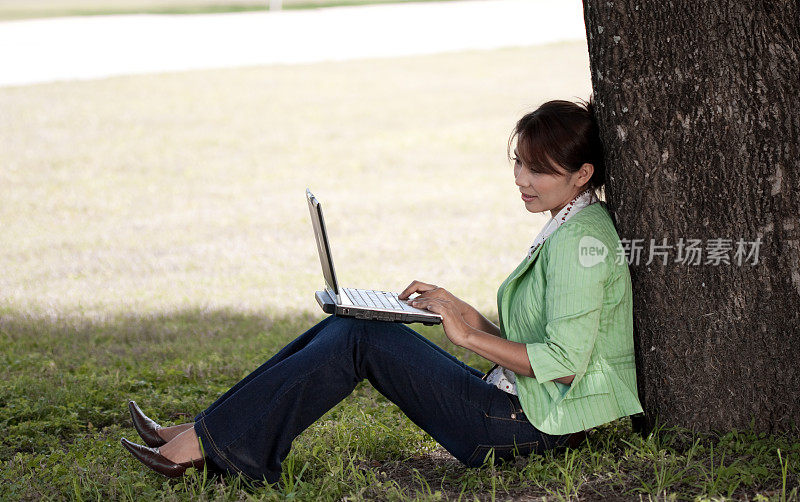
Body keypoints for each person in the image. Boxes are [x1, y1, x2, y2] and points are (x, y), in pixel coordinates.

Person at [121, 98, 644, 483]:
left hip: (523, 426)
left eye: (537, 170)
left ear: (582, 174)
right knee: (350, 324)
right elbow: (542, 338)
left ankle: (212, 445)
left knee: (359, 338)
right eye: (519, 163)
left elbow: (566, 362)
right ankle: (206, 432)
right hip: (518, 405)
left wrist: (466, 338)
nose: (520, 179)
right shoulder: (570, 222)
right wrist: (457, 308)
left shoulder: (581, 242)